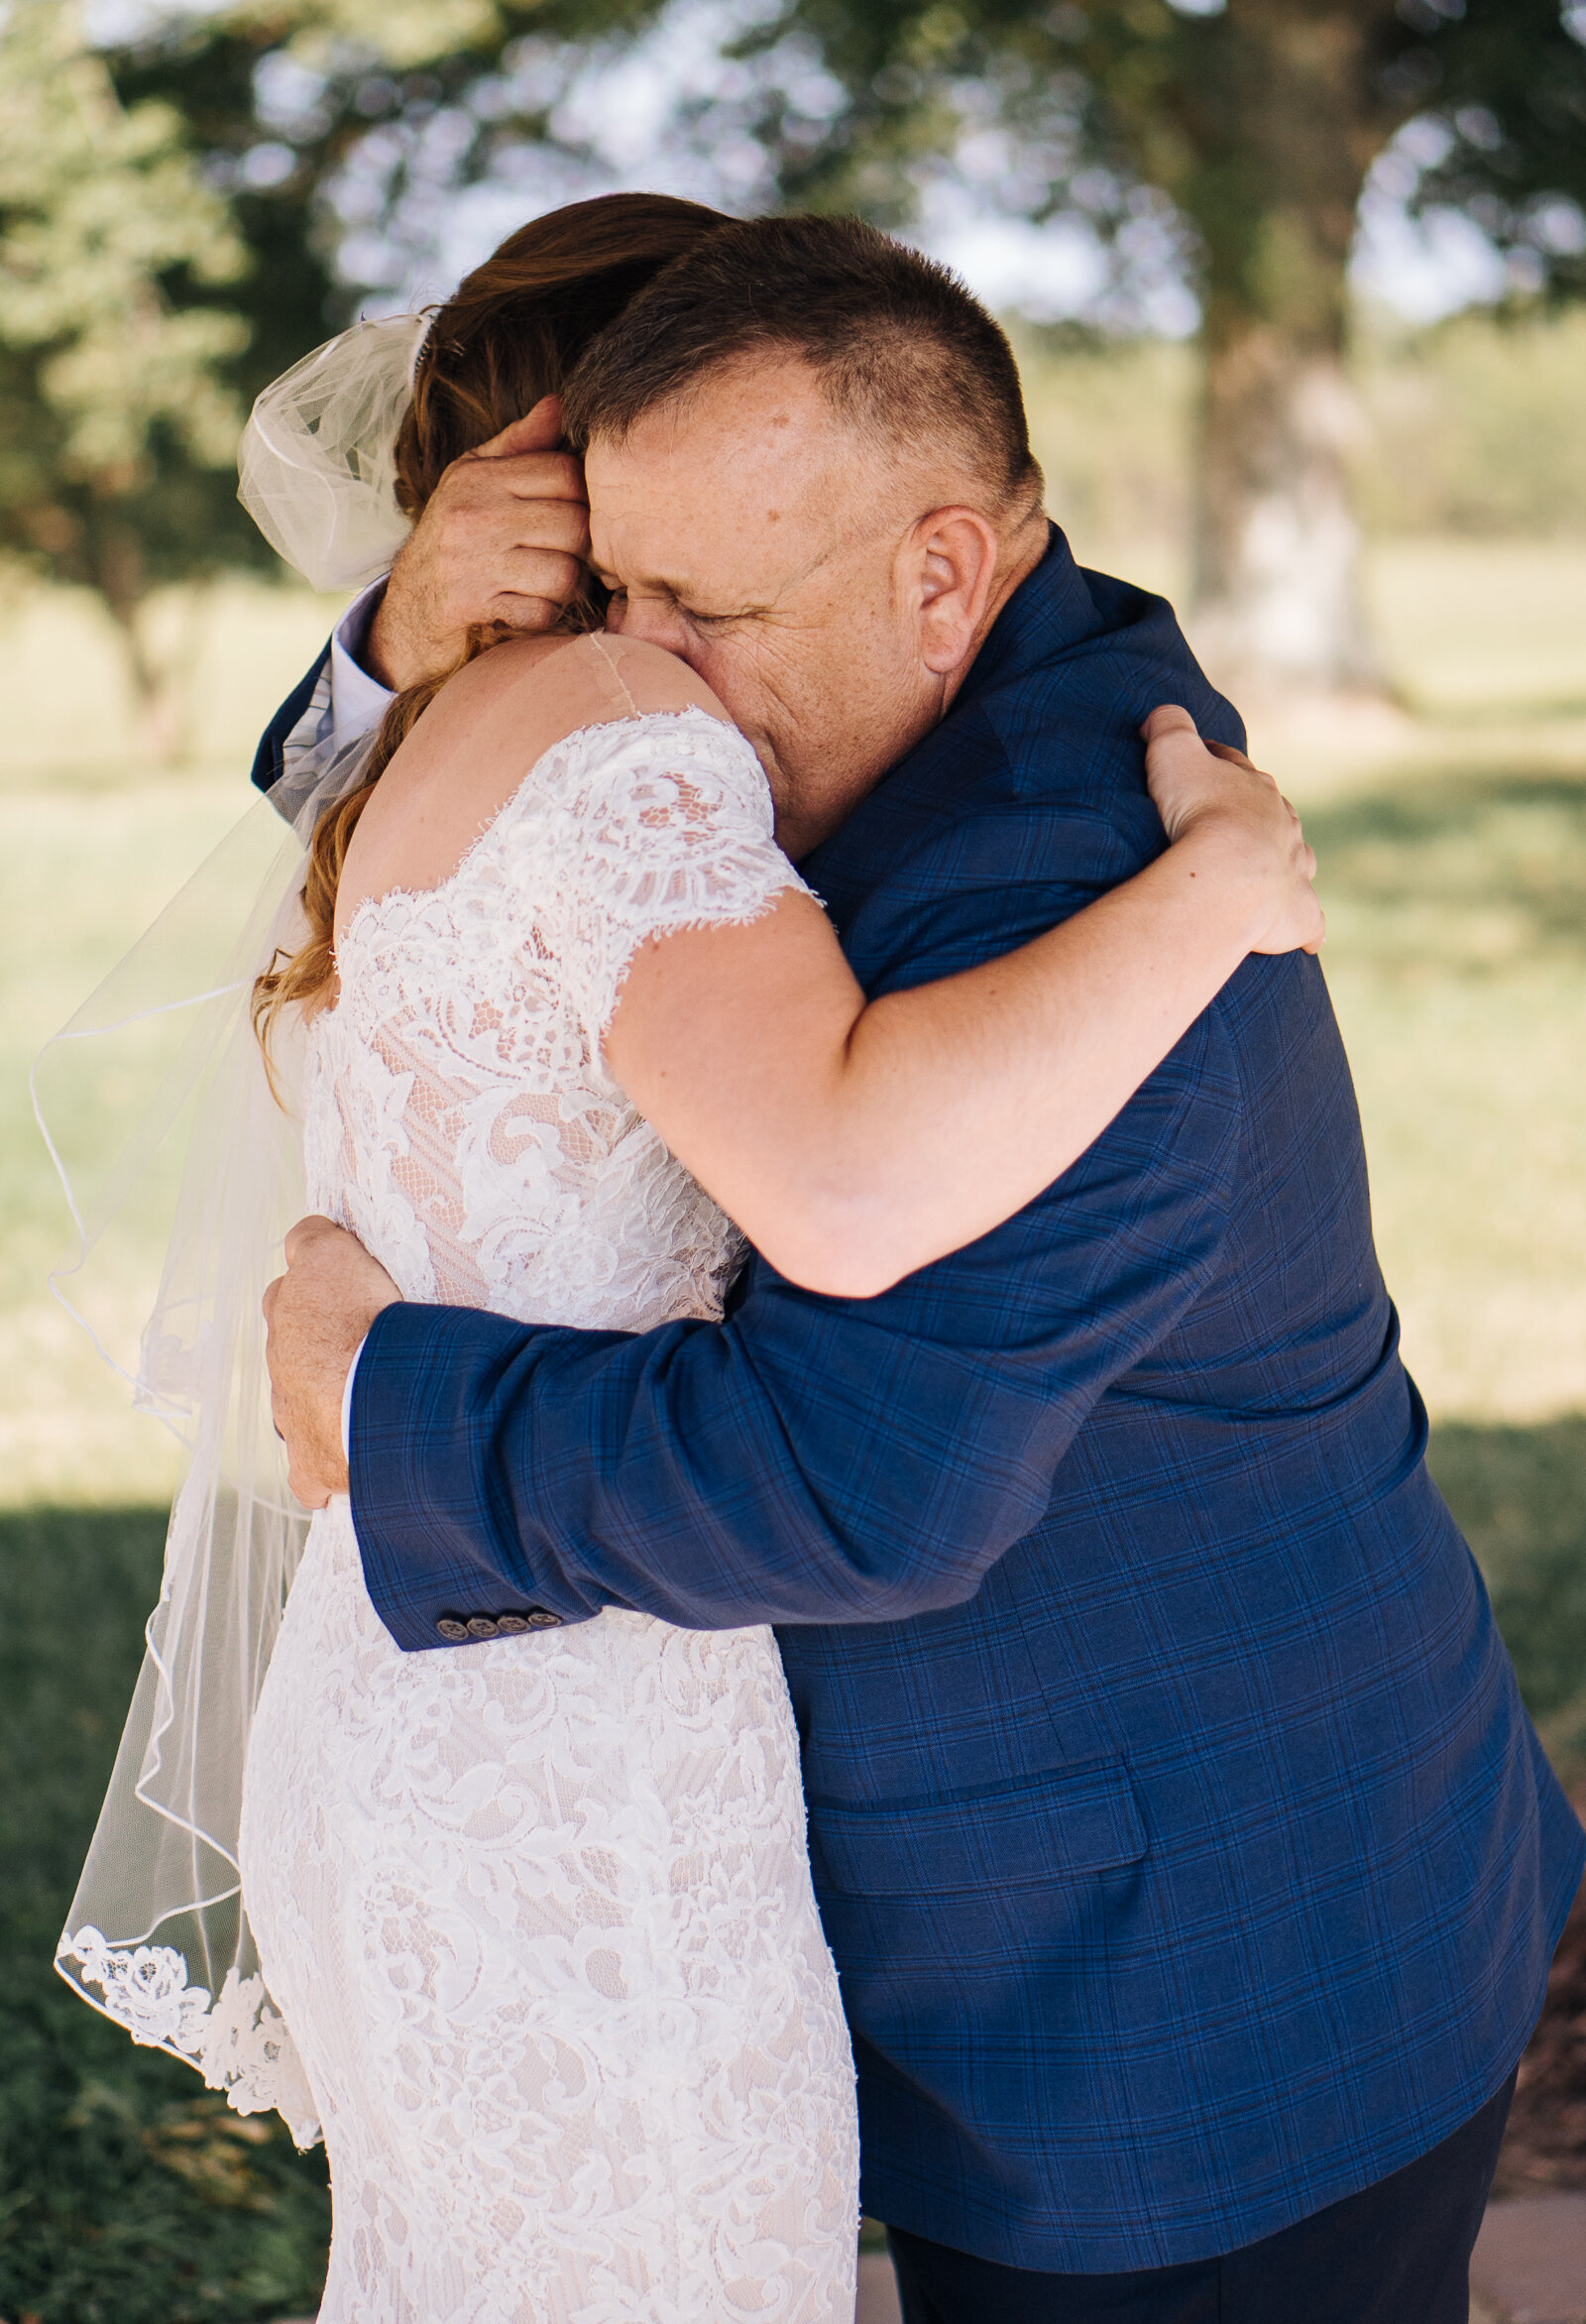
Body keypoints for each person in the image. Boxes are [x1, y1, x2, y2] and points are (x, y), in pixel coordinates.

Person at [260, 208, 1583, 2324]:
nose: (625, 683)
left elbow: (856, 1480)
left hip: (1190, 1995)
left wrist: (373, 1401)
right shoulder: (826, 700)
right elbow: (463, 851)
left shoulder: (1067, 901)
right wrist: (405, 646)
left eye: (698, 607)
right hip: (1019, 1894)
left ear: (939, 568)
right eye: (603, 592)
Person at [52, 194, 1324, 2324]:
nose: (673, 646)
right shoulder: (599, 719)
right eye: (630, 564)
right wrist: (1231, 890)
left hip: (446, 1706)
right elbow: (822, 1186)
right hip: (574, 1743)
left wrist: (379, 1400)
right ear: (557, 492)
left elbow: (860, 1434)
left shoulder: (907, 775)